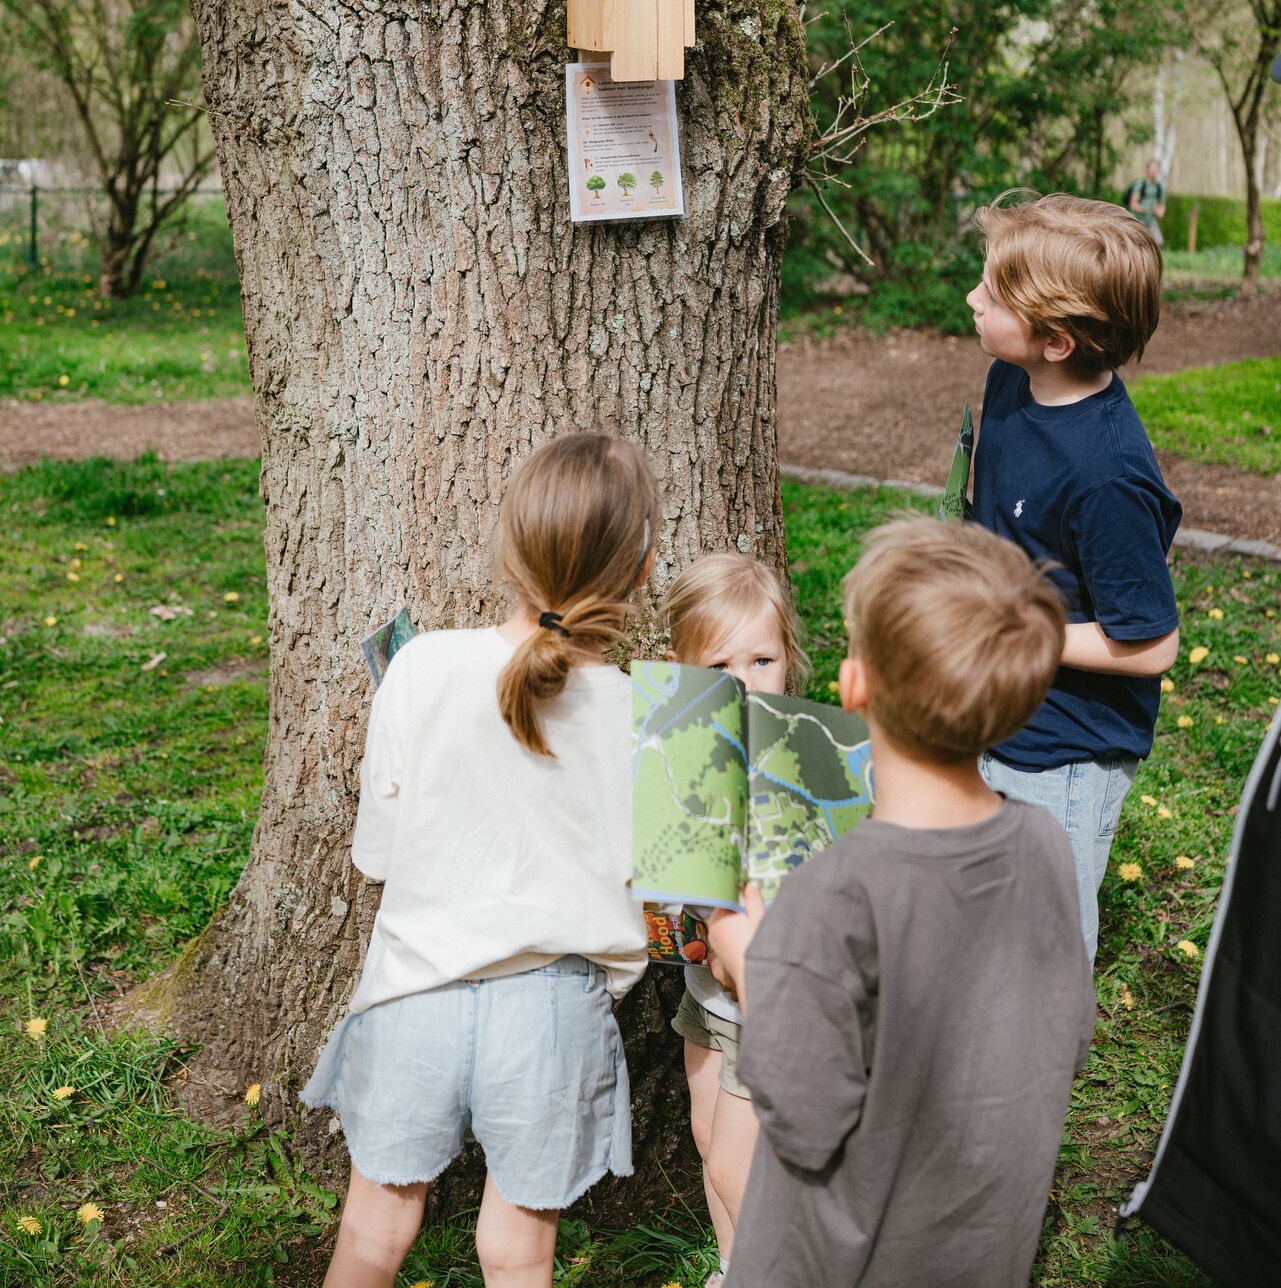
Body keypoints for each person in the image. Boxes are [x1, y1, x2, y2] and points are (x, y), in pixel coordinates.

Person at [302, 431, 657, 1288]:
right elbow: (646, 877)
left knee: (373, 1233)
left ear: (507, 548)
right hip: (552, 1013)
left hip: (413, 991)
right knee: (517, 1254)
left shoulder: (421, 667)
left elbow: (376, 855)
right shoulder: (647, 716)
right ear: (642, 569)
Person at [708, 519, 1095, 1288]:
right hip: (981, 1250)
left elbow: (806, 1118)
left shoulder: (834, 893)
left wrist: (753, 972)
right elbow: (1068, 1034)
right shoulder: (1045, 844)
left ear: (854, 689)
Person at [966, 192, 1181, 960]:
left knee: (1041, 932)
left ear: (1054, 340)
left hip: (1064, 751)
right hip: (996, 707)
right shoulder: (1007, 384)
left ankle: (1035, 1063)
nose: (971, 299)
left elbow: (1150, 646)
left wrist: (1017, 630)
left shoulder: (1107, 477)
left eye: (991, 296)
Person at [662, 555, 809, 1288]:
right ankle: (733, 1269)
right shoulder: (675, 757)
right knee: (704, 1136)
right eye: (718, 664)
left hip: (765, 1002)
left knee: (735, 1161)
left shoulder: (799, 761)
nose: (745, 681)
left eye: (762, 659)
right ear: (680, 670)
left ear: (788, 660)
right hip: (705, 993)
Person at [1124, 157, 1167, 245]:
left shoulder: (1160, 187)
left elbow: (1161, 205)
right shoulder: (1140, 185)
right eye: (1152, 169)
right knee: (1135, 242)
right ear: (1147, 170)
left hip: (1151, 220)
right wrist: (1148, 209)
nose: (1154, 172)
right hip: (1138, 219)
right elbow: (1133, 204)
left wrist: (1160, 212)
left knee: (1158, 242)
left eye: (1156, 169)